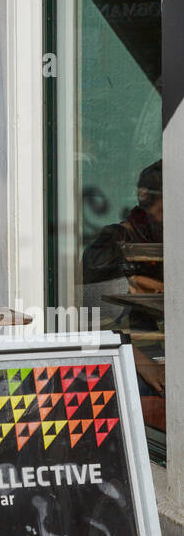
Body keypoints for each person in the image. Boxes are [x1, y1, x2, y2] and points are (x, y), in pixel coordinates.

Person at [82, 159, 164, 407]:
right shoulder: (109, 245)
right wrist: (143, 364)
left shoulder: (165, 242)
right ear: (146, 197)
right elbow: (92, 326)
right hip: (129, 361)